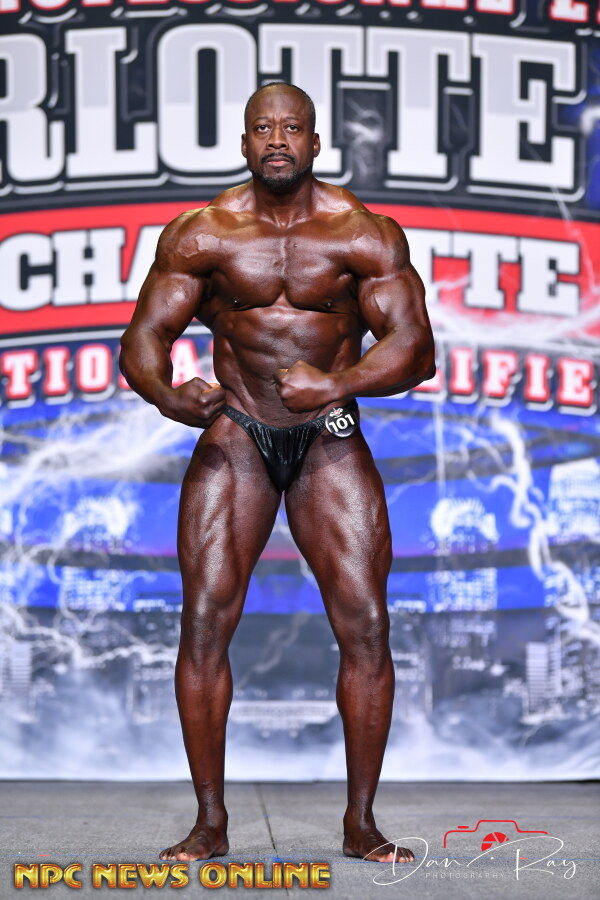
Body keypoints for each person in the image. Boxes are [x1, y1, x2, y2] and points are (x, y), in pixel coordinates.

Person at [119, 82, 435, 866]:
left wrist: (338, 383)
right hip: (238, 429)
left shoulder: (363, 233)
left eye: (292, 127)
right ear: (244, 143)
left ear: (316, 142)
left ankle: (361, 824)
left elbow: (416, 349)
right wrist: (167, 395)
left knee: (365, 624)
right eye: (263, 128)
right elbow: (144, 337)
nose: (278, 140)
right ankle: (209, 824)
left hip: (328, 430)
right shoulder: (202, 233)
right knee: (203, 621)